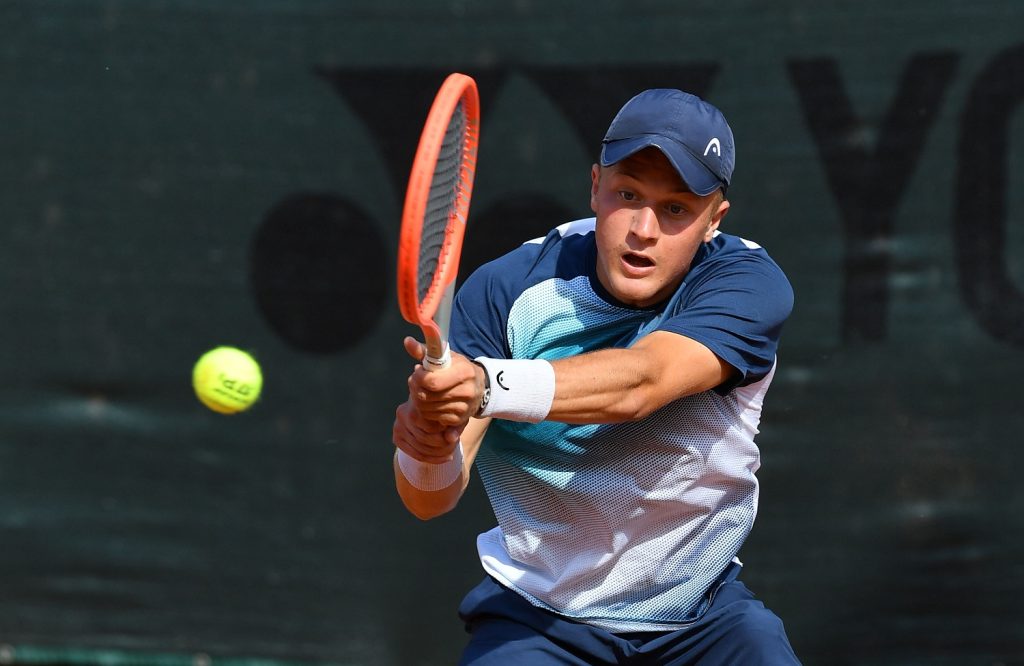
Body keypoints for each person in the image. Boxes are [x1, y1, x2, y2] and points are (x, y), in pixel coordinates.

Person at [391, 89, 800, 665]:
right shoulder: (506, 292)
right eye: (627, 195)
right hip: (538, 623)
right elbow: (429, 500)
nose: (643, 228)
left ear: (715, 220)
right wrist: (427, 448)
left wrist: (486, 385)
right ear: (594, 187)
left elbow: (642, 382)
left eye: (676, 209)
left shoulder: (744, 283)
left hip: (702, 618)